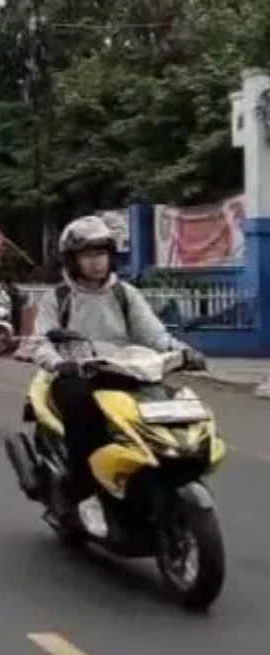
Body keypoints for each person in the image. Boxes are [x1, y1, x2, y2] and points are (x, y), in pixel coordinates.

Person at [30, 215, 205, 536]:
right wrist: (59, 363)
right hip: (78, 375)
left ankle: (149, 474)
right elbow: (40, 342)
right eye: (87, 255)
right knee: (85, 417)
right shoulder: (57, 297)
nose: (96, 263)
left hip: (127, 371)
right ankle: (84, 496)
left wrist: (184, 352)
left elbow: (155, 335)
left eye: (101, 254)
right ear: (72, 260)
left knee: (163, 407)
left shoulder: (125, 294)